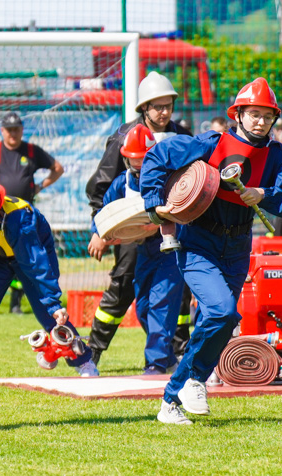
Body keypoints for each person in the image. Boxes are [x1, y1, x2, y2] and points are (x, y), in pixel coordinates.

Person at [140, 77, 282, 424]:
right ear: (238, 114)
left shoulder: (277, 156)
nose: (260, 121)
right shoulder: (210, 143)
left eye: (266, 115)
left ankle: (171, 401)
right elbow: (157, 156)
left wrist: (266, 195)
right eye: (253, 114)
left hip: (238, 244)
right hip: (197, 240)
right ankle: (197, 380)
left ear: (274, 119)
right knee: (222, 312)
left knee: (219, 320)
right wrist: (155, 202)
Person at [85, 71, 193, 367]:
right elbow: (101, 187)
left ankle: (175, 350)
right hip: (131, 228)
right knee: (123, 286)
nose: (164, 112)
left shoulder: (183, 137)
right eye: (157, 107)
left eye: (168, 106)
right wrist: (101, 229)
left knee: (175, 293)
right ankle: (92, 351)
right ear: (143, 107)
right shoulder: (125, 137)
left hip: (173, 229)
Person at [0, 183, 97, 384]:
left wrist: (53, 303)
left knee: (50, 315)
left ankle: (84, 363)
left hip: (32, 254)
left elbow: (36, 264)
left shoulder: (19, 219)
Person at [0, 111, 64, 315]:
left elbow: (58, 168)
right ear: (2, 131)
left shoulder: (32, 151)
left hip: (24, 218)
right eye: (9, 130)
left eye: (16, 129)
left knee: (28, 259)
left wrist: (41, 186)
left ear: (22, 130)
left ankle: (18, 302)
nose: (13, 134)